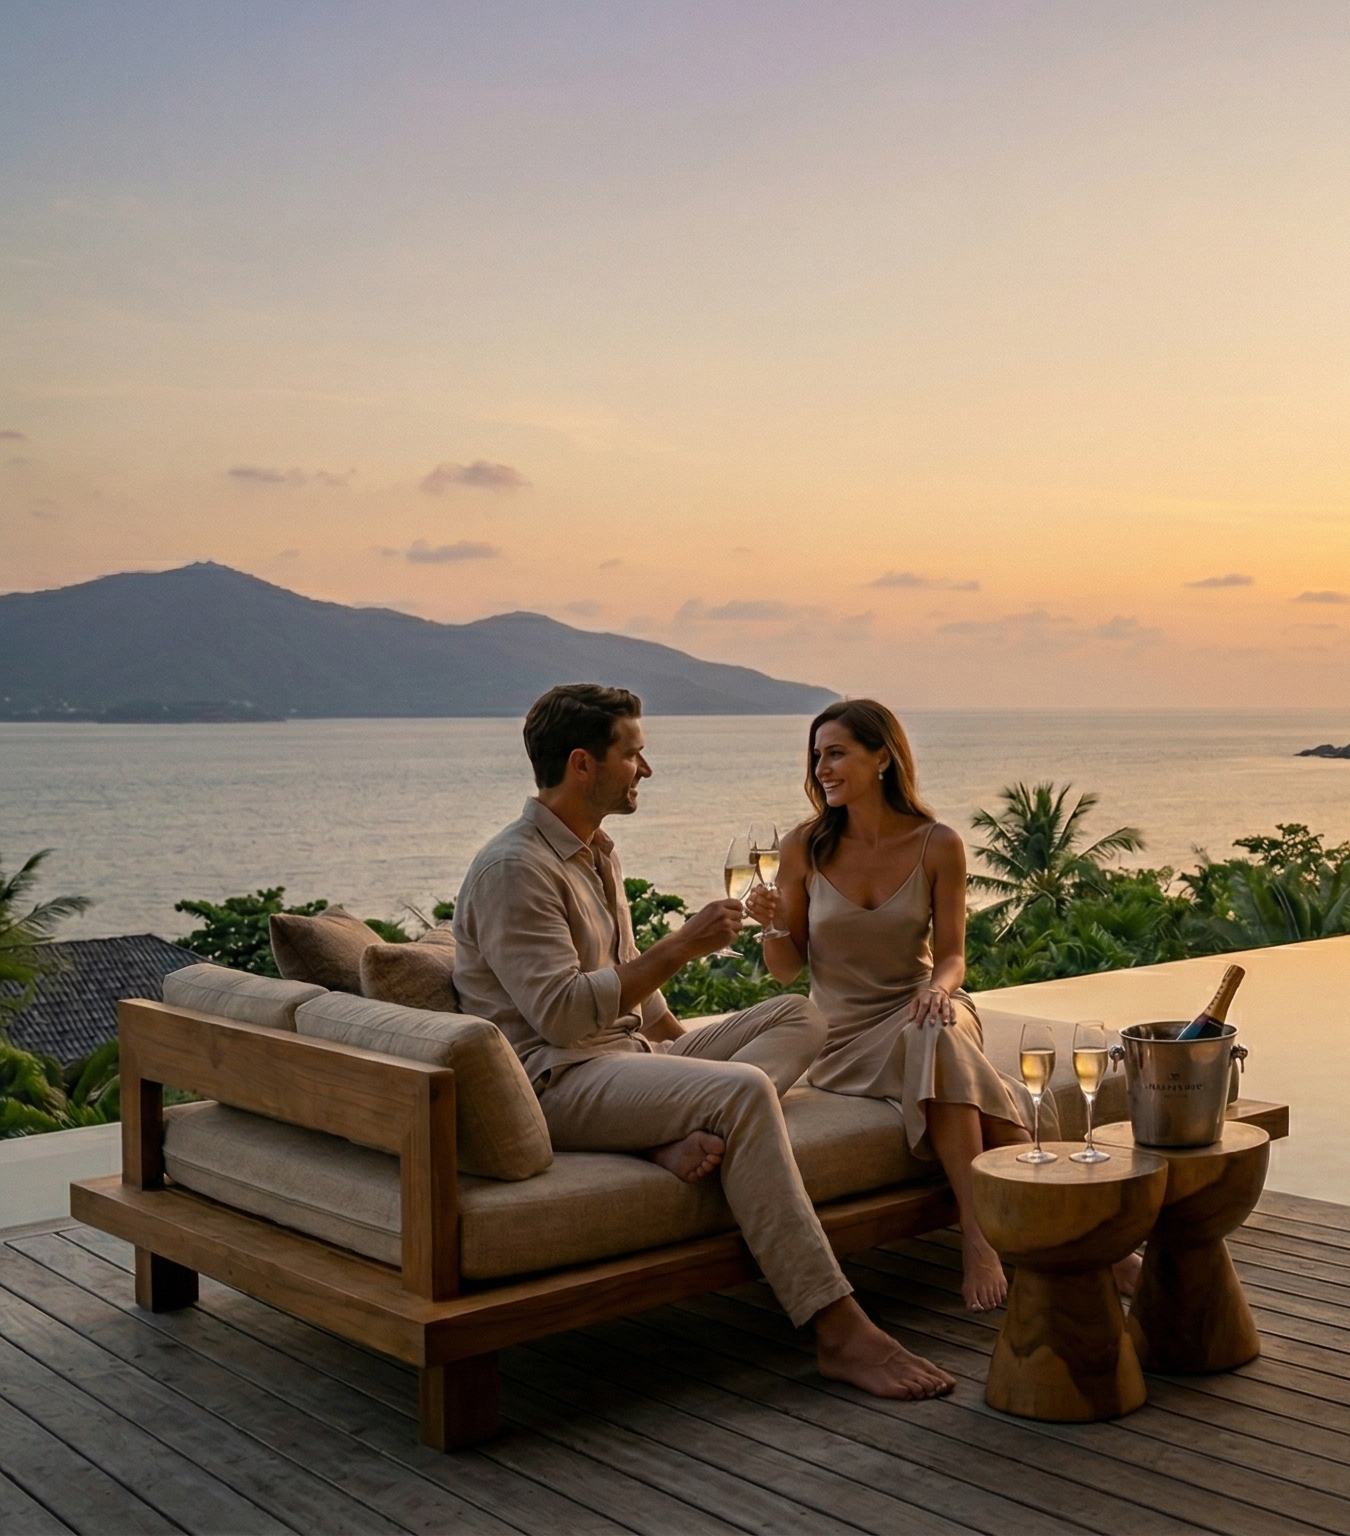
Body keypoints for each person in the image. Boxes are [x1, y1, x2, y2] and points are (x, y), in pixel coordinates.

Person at [453, 683, 956, 1400]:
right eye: (634, 754)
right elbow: (563, 1015)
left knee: (797, 1017)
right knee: (745, 1092)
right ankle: (837, 1326)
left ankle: (665, 1127)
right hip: (557, 1076)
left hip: (624, 1060)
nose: (646, 769)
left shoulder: (594, 850)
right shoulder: (515, 870)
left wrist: (681, 1059)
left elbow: (623, 977)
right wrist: (683, 946)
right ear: (582, 765)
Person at [744, 699, 1037, 1312]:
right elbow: (787, 971)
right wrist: (771, 927)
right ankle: (1074, 1234)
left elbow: (954, 956)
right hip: (844, 1041)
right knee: (947, 1047)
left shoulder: (938, 844)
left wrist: (939, 988)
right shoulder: (803, 847)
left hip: (927, 1007)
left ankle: (979, 1240)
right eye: (817, 756)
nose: (822, 768)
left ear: (882, 757)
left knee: (938, 1029)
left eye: (837, 753)